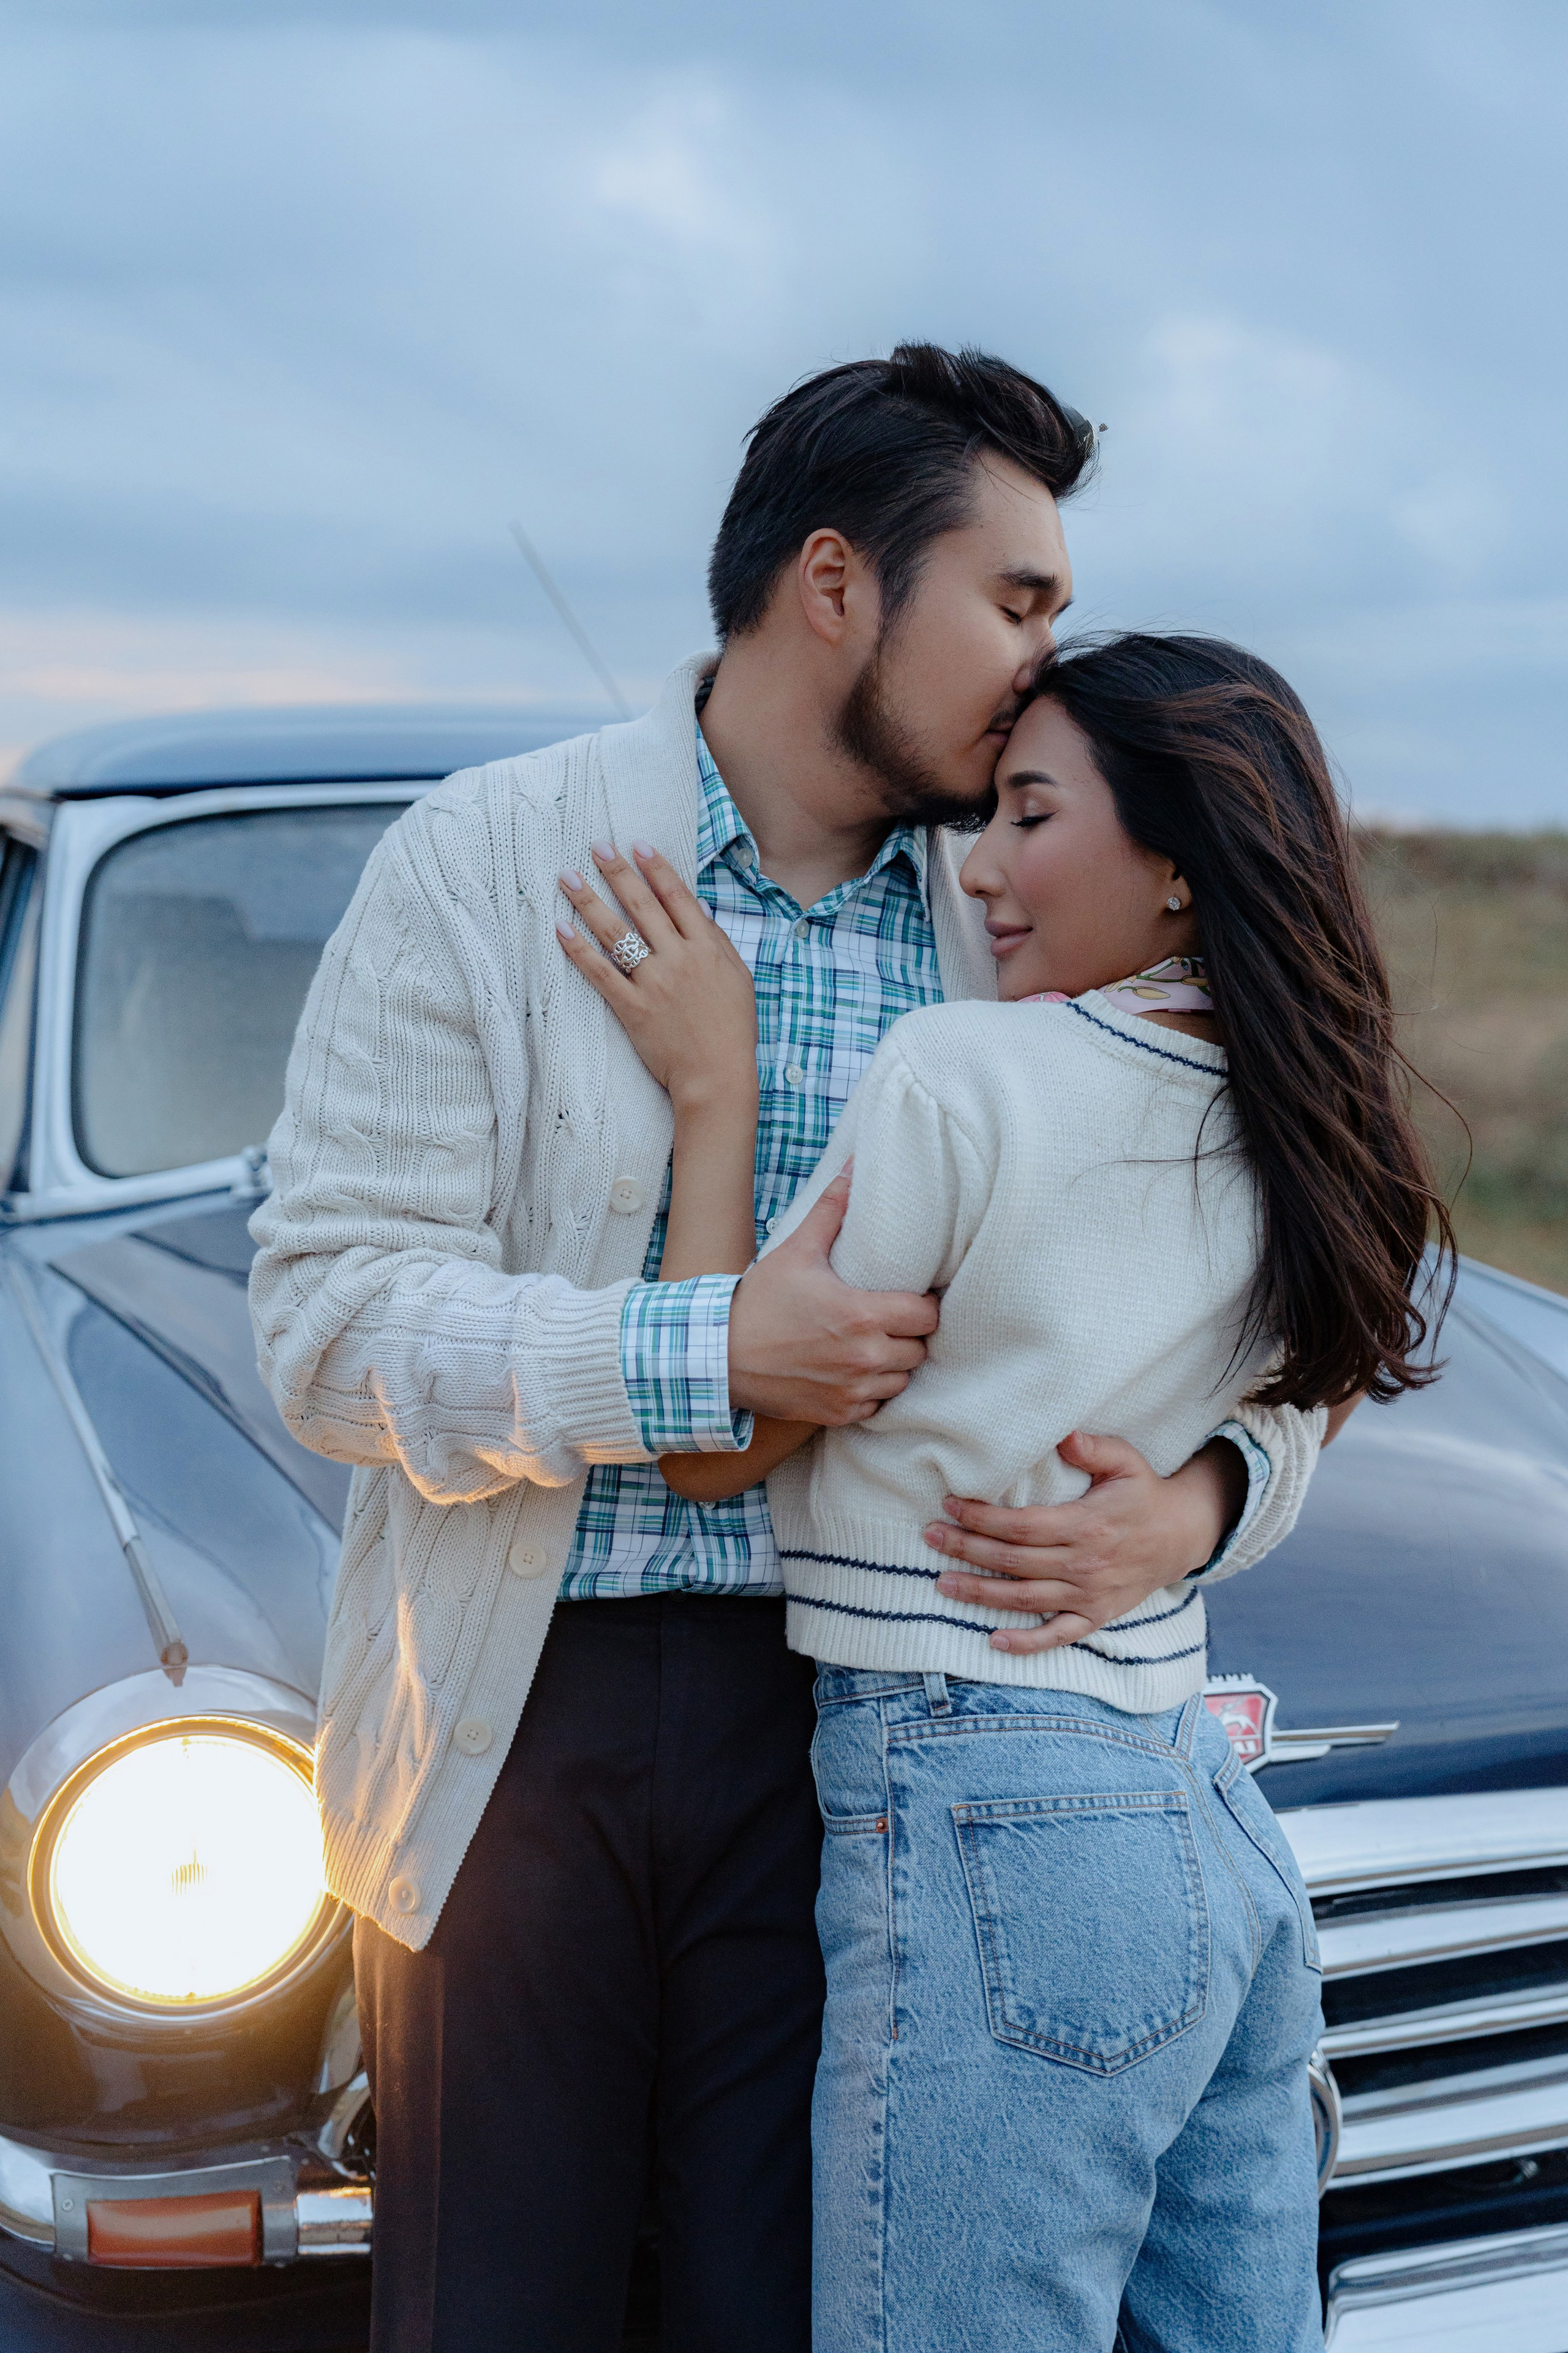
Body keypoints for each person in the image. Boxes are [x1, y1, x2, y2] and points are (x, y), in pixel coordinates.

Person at [249, 347, 1326, 2352]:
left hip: (876, 1742)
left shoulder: (1021, 905)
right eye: (1014, 603)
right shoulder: (485, 863)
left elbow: (1264, 1309)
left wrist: (1196, 1503)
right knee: (500, 2316)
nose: (1039, 663)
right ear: (838, 582)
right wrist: (706, 1348)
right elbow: (329, 1327)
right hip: (519, 1716)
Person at [560, 630, 1449, 2352]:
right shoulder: (1313, 1125)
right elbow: (1312, 1400)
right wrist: (1197, 1506)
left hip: (976, 1809)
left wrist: (714, 1087)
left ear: (1179, 859)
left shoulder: (966, 1072)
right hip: (1208, 1816)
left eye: (1030, 814)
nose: (980, 866)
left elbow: (716, 1441)